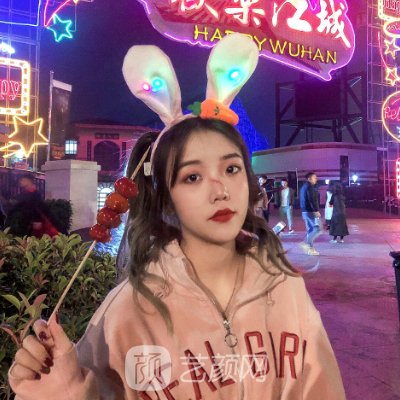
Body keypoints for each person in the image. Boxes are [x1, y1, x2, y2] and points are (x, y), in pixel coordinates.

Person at [8, 35, 345, 399]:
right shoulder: (129, 313)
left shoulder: (285, 288)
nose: (220, 190)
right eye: (192, 177)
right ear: (165, 197)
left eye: (231, 169)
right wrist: (70, 393)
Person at [299, 172, 322, 256]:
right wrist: (316, 210)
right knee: (317, 229)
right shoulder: (310, 187)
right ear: (309, 179)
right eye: (314, 177)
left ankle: (310, 249)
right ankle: (306, 243)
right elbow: (311, 199)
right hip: (310, 211)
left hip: (305, 211)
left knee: (310, 230)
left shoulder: (303, 187)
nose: (316, 179)